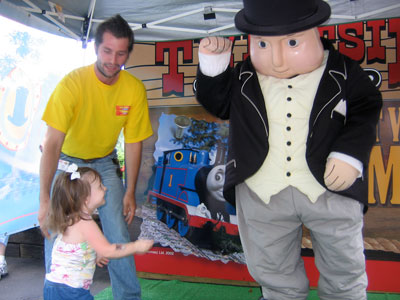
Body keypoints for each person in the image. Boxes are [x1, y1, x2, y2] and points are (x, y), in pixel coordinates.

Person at [194, 0, 382, 299]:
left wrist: (349, 153)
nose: (278, 60)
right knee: (274, 273)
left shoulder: (343, 71)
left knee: (344, 269)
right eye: (263, 44)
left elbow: (366, 108)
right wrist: (213, 67)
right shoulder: (244, 76)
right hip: (261, 190)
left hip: (329, 189)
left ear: (315, 32)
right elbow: (218, 104)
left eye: (292, 42)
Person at [39, 14, 153, 300]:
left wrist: (130, 191)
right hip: (66, 163)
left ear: (128, 53)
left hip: (103, 162)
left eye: (121, 53)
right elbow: (51, 144)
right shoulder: (72, 84)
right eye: (107, 51)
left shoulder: (134, 89)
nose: (113, 60)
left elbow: (134, 142)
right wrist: (43, 200)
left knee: (118, 232)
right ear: (95, 48)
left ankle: (128, 296)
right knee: (56, 231)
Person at [43, 165, 153, 300]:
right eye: (100, 186)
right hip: (72, 292)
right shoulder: (85, 223)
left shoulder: (70, 219)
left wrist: (93, 254)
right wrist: (135, 246)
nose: (105, 188)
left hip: (52, 287)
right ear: (86, 198)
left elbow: (75, 250)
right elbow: (110, 250)